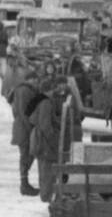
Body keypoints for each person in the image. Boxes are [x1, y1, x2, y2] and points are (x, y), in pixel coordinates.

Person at [30, 76, 82, 202]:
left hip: (43, 141)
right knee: (46, 171)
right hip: (44, 143)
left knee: (46, 170)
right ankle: (47, 198)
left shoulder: (44, 100)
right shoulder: (46, 102)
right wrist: (55, 141)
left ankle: (47, 195)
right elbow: (45, 126)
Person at [8, 63, 40, 196]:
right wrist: (30, 128)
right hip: (24, 129)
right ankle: (24, 184)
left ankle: (25, 183)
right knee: (26, 155)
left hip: (22, 127)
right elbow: (24, 111)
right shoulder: (25, 91)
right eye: (35, 80)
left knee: (28, 155)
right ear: (30, 80)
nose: (37, 83)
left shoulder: (23, 90)